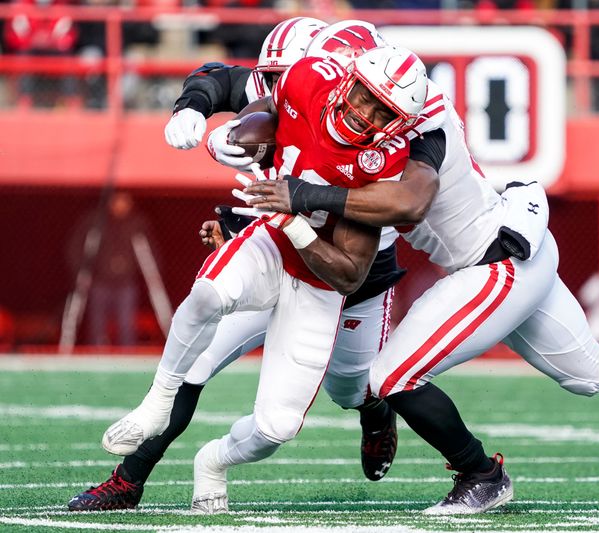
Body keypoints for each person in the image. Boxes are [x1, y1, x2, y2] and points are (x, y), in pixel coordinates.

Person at [242, 75, 599, 513]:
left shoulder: (422, 132)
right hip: (513, 253)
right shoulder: (361, 109)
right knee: (588, 370)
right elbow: (266, 102)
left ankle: (481, 475)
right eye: (361, 98)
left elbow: (406, 203)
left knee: (391, 376)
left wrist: (303, 192)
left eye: (378, 109)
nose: (365, 114)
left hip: (496, 262)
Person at [68, 19, 405, 512]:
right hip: (277, 251)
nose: (271, 95)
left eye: (283, 82)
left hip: (348, 281)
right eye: (272, 81)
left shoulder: (378, 142)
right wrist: (191, 110)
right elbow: (218, 77)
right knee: (194, 360)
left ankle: (374, 410)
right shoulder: (287, 85)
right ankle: (128, 479)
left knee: (350, 388)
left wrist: (272, 213)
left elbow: (342, 238)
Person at [67, 191, 156, 346]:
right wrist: (81, 271)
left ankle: (127, 358)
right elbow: (75, 248)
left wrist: (153, 274)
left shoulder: (137, 223)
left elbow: (150, 251)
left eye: (124, 201)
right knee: (97, 324)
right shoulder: (95, 222)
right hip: (100, 281)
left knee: (126, 323)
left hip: (126, 282)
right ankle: (97, 358)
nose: (120, 205)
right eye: (117, 201)